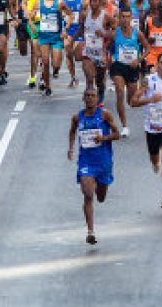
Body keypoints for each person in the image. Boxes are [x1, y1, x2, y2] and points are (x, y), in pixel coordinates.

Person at [68, 87, 122, 245]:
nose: (90, 98)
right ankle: (90, 231)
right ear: (83, 98)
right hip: (86, 162)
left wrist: (103, 138)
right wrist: (71, 148)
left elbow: (117, 134)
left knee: (101, 197)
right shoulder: (77, 117)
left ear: (98, 99)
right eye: (88, 96)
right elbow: (72, 132)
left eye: (93, 96)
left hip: (104, 161)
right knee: (88, 194)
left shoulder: (105, 115)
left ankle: (102, 186)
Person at [130, 50, 162, 209]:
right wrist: (151, 99)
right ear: (157, 65)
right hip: (152, 126)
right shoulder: (149, 81)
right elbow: (133, 102)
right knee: (155, 159)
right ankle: (155, 163)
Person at [108, 5, 147, 136]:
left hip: (132, 68)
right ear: (119, 18)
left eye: (127, 17)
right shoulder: (115, 33)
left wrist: (139, 60)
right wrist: (105, 57)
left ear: (131, 18)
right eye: (122, 17)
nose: (125, 19)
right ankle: (124, 126)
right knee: (119, 91)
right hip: (118, 66)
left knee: (131, 102)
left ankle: (148, 100)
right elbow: (106, 47)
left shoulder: (138, 33)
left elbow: (148, 49)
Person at [31, 0, 64, 96]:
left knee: (55, 63)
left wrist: (65, 28)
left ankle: (56, 69)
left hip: (56, 36)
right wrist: (32, 25)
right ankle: (48, 86)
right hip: (43, 35)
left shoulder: (59, 1)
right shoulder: (38, 2)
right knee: (45, 61)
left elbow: (69, 15)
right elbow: (31, 17)